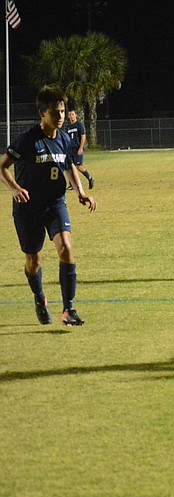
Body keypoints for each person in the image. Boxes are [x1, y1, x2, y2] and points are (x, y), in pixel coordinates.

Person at [0, 85, 97, 326]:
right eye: (55, 112)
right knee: (34, 262)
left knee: (65, 247)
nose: (61, 116)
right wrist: (15, 188)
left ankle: (68, 310)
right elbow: (2, 167)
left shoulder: (64, 139)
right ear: (42, 113)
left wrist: (81, 192)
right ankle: (39, 297)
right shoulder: (27, 140)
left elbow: (69, 167)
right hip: (28, 208)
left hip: (55, 204)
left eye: (62, 111)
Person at [66, 106, 94, 190]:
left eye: (72, 114)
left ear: (76, 115)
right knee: (70, 167)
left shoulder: (79, 125)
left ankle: (90, 178)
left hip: (77, 148)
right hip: (70, 150)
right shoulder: (69, 126)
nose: (71, 116)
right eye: (70, 114)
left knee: (79, 167)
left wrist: (81, 148)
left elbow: (83, 136)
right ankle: (72, 184)